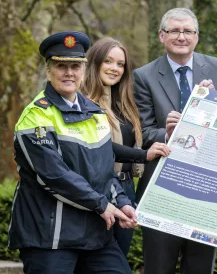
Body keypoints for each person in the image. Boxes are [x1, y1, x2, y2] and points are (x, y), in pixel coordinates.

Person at [8, 31, 139, 274]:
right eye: (61, 66)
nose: (69, 73)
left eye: (75, 66)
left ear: (83, 70)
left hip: (95, 235)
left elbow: (104, 172)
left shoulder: (96, 114)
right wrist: (102, 205)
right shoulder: (35, 116)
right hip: (50, 239)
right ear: (48, 71)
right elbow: (55, 177)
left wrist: (121, 202)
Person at [133, 7, 217, 274]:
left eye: (188, 31)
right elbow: (141, 133)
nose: (181, 36)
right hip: (161, 189)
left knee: (200, 268)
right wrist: (167, 133)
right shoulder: (144, 76)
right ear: (161, 36)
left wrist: (215, 106)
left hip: (206, 188)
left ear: (197, 36)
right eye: (174, 31)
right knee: (158, 268)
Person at [81, 37, 170, 256]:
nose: (114, 69)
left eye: (120, 64)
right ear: (95, 63)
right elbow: (102, 146)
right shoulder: (83, 103)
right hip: (99, 191)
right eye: (108, 62)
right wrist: (143, 155)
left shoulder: (124, 103)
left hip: (127, 190)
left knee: (119, 256)